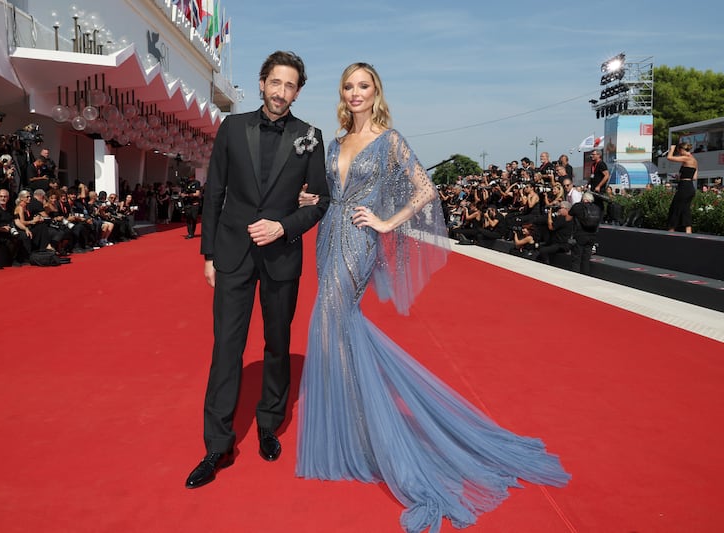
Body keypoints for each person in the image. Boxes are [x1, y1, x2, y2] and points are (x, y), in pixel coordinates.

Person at [295, 63, 569, 533]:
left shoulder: (390, 139)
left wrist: (385, 221)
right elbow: (326, 194)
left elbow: (425, 190)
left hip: (358, 242)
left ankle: (368, 436)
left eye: (364, 86)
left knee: (331, 322)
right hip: (326, 237)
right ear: (341, 93)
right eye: (348, 86)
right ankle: (360, 431)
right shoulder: (334, 142)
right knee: (335, 330)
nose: (355, 92)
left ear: (376, 91)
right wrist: (310, 203)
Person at [184, 51, 330, 490]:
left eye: (291, 86)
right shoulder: (231, 127)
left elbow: (321, 201)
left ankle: (269, 422)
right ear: (263, 82)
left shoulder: (310, 136)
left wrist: (283, 226)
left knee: (277, 344)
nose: (282, 92)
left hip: (282, 255)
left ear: (297, 91)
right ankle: (217, 444)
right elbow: (215, 192)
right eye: (276, 83)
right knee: (226, 347)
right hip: (232, 255)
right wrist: (209, 255)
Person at [666, 142, 698, 233]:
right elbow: (694, 177)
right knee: (685, 210)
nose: (679, 153)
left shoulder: (686, 158)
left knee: (675, 208)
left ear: (682, 150)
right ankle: (688, 231)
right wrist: (680, 177)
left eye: (679, 151)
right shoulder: (694, 160)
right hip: (690, 187)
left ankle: (671, 230)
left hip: (684, 187)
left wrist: (671, 149)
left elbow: (669, 158)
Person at [569, 192, 602, 274]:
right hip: (592, 236)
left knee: (576, 259)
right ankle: (585, 276)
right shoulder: (597, 208)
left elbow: (568, 218)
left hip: (580, 235)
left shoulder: (577, 206)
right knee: (586, 259)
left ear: (583, 199)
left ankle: (575, 276)